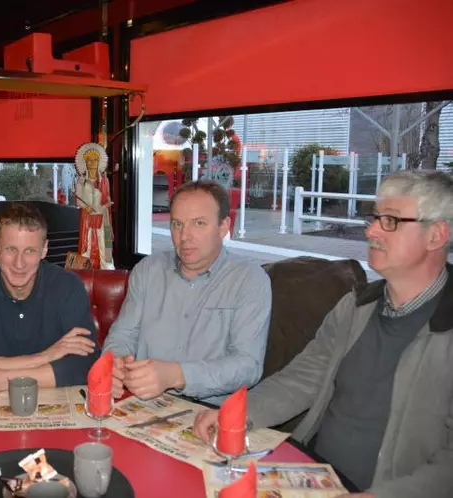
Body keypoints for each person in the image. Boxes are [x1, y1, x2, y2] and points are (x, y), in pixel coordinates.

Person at [192, 170, 453, 498]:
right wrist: (237, 413)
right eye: (375, 218)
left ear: (436, 235)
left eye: (391, 221)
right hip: (316, 476)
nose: (372, 230)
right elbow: (301, 380)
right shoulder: (355, 306)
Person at [103, 179, 271, 403]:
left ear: (224, 227)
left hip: (209, 415)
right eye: (177, 224)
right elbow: (123, 335)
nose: (184, 236)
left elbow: (248, 366)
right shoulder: (148, 270)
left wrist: (178, 375)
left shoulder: (249, 280)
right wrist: (117, 363)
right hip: (140, 405)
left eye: (199, 223)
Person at [0, 203, 100, 394]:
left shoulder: (68, 286)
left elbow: (86, 363)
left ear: (44, 250)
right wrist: (45, 356)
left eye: (30, 251)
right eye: (11, 249)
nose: (19, 263)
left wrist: (2, 381)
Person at [74, 143, 114, 269]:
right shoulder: (81, 180)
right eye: (89, 160)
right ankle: (85, 268)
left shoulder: (105, 180)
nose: (92, 163)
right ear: (85, 162)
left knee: (104, 242)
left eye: (95, 159)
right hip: (88, 216)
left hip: (103, 216)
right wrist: (87, 208)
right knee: (88, 242)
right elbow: (78, 199)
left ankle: (107, 268)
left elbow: (108, 198)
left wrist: (106, 204)